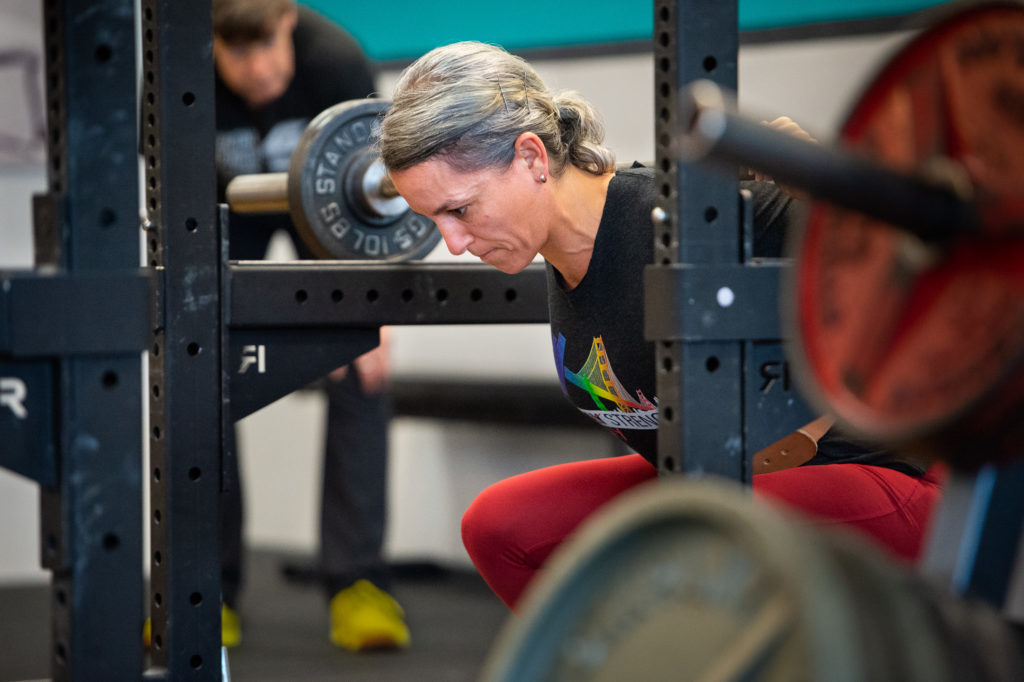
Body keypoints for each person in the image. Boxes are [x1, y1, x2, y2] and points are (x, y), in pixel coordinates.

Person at [377, 41, 945, 610]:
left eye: (460, 210)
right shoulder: (562, 255)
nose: (452, 243)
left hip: (872, 478)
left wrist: (838, 191)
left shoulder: (692, 217)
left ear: (531, 158)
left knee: (686, 538)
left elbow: (924, 264)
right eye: (434, 221)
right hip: (711, 493)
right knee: (500, 526)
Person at [211, 0, 409, 649]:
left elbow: (374, 195)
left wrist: (372, 318)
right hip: (217, 215)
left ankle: (357, 582)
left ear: (288, 18)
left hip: (321, 212)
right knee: (195, 376)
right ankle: (204, 590)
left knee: (364, 365)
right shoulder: (172, 69)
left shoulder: (336, 61)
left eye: (266, 45)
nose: (256, 68)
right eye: (235, 52)